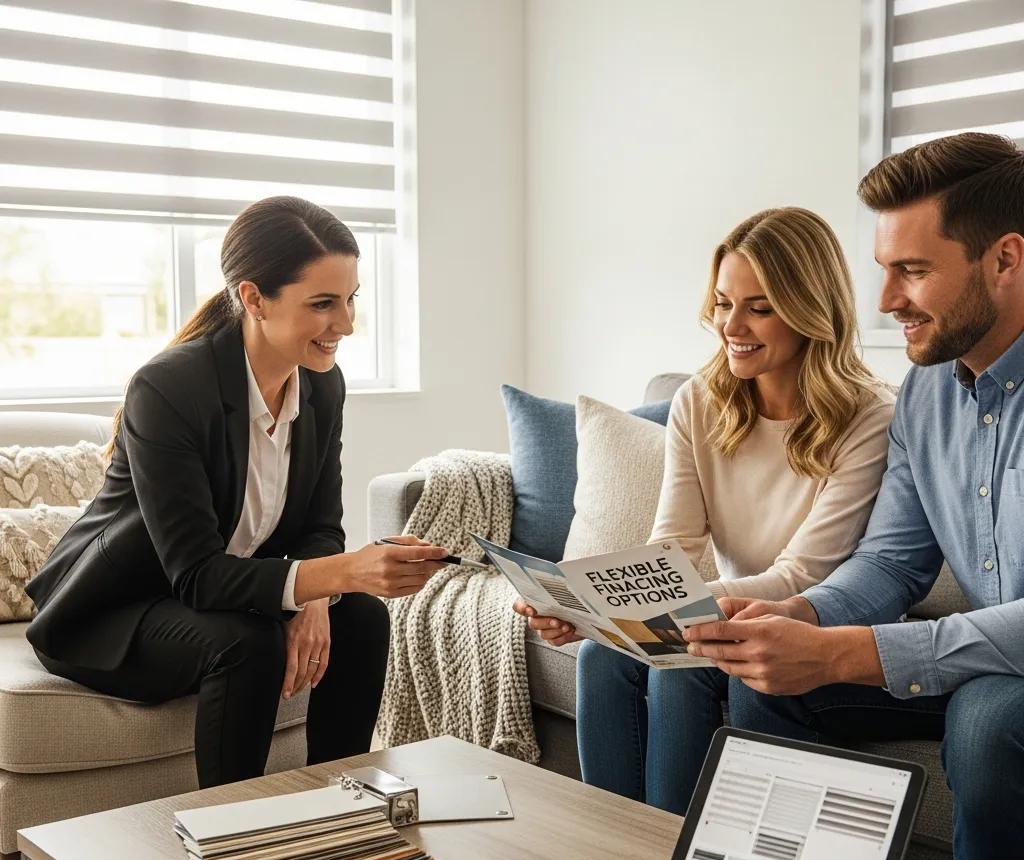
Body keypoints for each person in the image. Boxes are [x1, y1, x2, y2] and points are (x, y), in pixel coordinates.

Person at [682, 133, 1024, 860]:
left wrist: (850, 651)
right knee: (764, 680)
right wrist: (800, 618)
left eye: (913, 270)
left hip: (1000, 683)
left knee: (986, 720)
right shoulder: (927, 394)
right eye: (885, 269)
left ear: (1005, 259)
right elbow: (891, 563)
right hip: (978, 661)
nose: (884, 301)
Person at [26, 196, 450, 788]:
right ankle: (238, 838)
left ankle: (348, 814)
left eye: (351, 300)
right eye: (323, 304)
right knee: (248, 642)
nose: (347, 325)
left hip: (219, 595)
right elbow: (196, 575)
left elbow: (320, 526)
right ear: (254, 299)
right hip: (120, 610)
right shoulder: (170, 388)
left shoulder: (321, 387)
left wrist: (321, 595)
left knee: (362, 618)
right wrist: (341, 573)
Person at [515, 207, 895, 813]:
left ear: (809, 310)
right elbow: (675, 547)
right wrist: (589, 611)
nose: (730, 326)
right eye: (722, 303)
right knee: (598, 653)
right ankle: (610, 857)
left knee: (682, 666)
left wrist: (685, 611)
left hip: (802, 618)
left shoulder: (869, 416)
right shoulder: (699, 398)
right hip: (721, 605)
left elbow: (804, 574)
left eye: (759, 307)